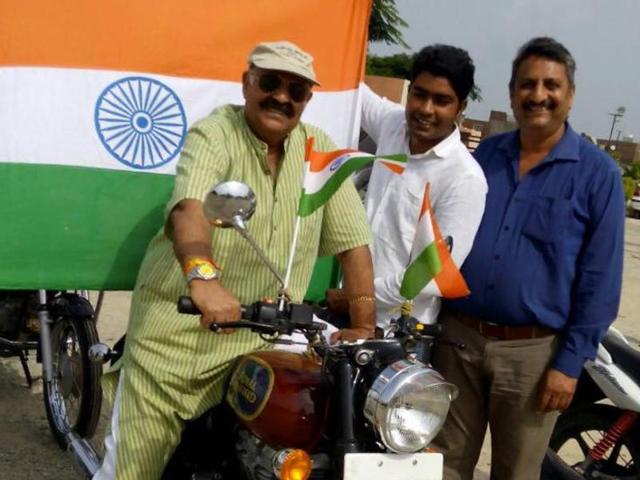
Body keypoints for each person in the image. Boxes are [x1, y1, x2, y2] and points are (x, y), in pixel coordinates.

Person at [93, 40, 375, 480]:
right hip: (180, 335)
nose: (281, 97)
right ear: (247, 83)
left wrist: (364, 327)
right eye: (270, 82)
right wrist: (203, 279)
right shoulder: (216, 133)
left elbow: (354, 243)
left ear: (307, 99)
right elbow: (190, 209)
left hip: (263, 338)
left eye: (296, 90)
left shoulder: (317, 149)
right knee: (135, 469)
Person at [433, 37, 625, 480]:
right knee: (441, 465)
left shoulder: (598, 175)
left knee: (517, 472)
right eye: (527, 84)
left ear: (570, 95)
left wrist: (569, 364)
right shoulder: (486, 156)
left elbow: (601, 280)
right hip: (458, 342)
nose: (538, 95)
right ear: (512, 93)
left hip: (533, 358)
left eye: (550, 85)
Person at [328, 45, 487, 328]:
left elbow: (432, 274)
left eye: (441, 101)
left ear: (460, 108)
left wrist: (359, 295)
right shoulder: (393, 125)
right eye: (420, 94)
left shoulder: (464, 178)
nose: (426, 109)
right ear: (410, 91)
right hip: (343, 312)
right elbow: (354, 92)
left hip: (395, 330)